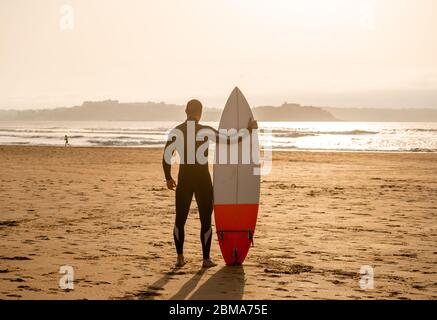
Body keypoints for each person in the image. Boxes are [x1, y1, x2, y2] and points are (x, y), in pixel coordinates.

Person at [162, 99, 257, 268]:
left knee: (180, 220)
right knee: (206, 220)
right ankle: (206, 260)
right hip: (202, 180)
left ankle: (180, 258)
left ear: (186, 111)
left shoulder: (177, 131)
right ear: (200, 112)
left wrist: (168, 177)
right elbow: (229, 140)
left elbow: (166, 156)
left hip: (184, 179)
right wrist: (248, 130)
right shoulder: (204, 130)